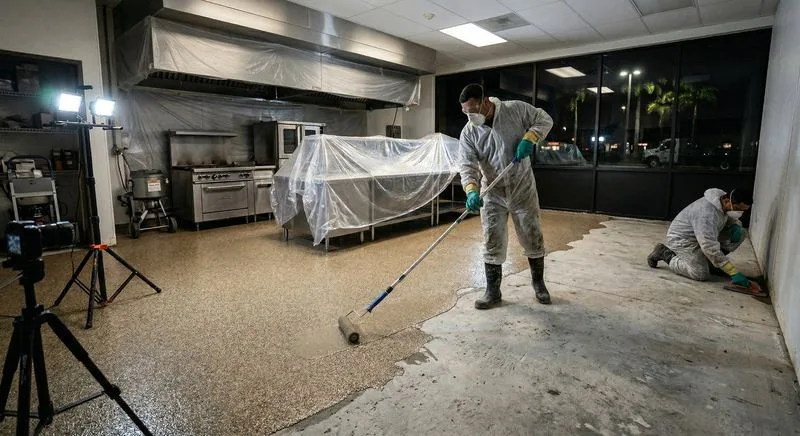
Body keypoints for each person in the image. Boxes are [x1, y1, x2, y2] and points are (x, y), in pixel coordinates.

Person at [457, 83, 554, 309]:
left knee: (532, 234)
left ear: (486, 102)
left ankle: (539, 284)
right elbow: (467, 165)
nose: (470, 116)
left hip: (521, 186)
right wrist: (471, 190)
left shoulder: (515, 110)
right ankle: (493, 291)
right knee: (492, 238)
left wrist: (530, 137)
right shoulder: (469, 132)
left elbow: (544, 119)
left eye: (473, 110)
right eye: (465, 112)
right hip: (492, 191)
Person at [648, 188, 753, 288]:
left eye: (743, 210)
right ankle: (664, 253)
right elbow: (709, 246)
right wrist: (732, 271)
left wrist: (735, 224)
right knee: (700, 273)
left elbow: (725, 217)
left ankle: (711, 261)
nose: (740, 212)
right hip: (682, 239)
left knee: (741, 233)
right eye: (738, 209)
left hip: (701, 235)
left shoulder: (722, 202)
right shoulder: (706, 214)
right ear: (727, 201)